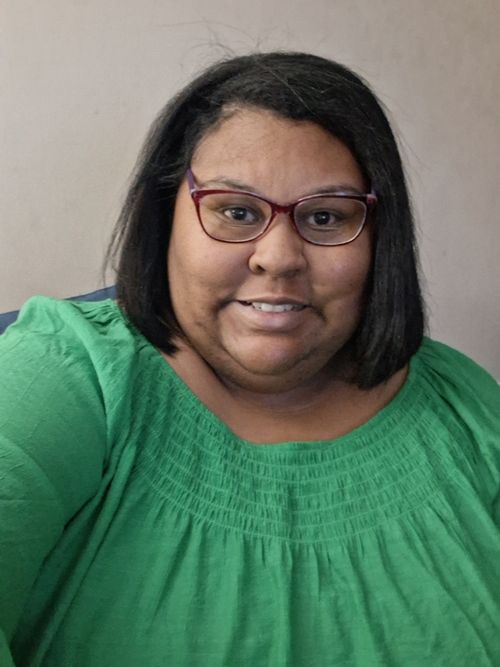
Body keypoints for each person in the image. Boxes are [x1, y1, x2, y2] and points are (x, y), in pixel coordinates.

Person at [0, 52, 499, 667]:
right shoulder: (64, 374)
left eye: (326, 216)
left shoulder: (468, 406)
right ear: (165, 216)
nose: (279, 257)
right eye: (236, 211)